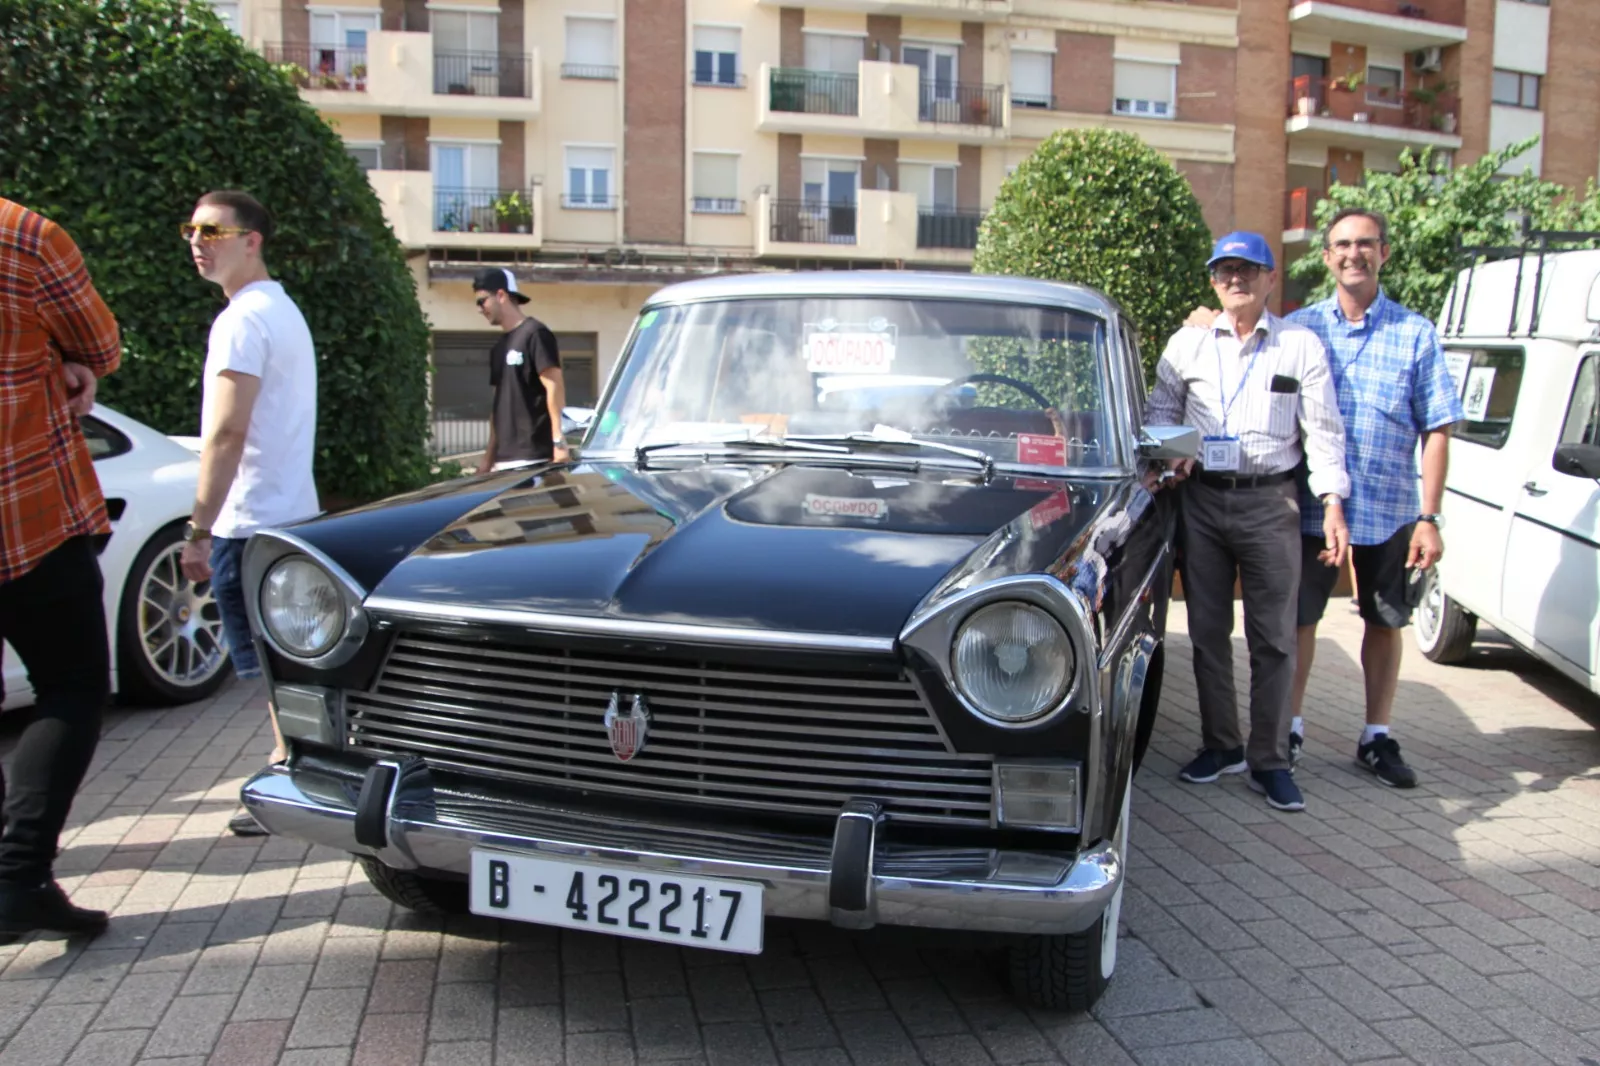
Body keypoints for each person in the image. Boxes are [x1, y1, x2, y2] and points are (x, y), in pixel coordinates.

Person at [1185, 209, 1464, 788]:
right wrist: (1210, 315)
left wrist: (1429, 517)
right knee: (1296, 624)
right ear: (1326, 257)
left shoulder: (1414, 332)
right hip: (1311, 508)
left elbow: (1438, 427)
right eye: (1341, 245)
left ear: (1383, 252)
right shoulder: (1302, 327)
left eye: (1364, 244)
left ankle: (1376, 735)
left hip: (1386, 504)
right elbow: (1239, 330)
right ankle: (1287, 731)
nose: (1352, 254)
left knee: (1384, 620)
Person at [1147, 231, 1351, 813]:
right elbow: (1159, 415)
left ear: (1270, 278)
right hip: (1202, 501)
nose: (1235, 279)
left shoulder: (1300, 346)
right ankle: (1221, 745)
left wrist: (1333, 501)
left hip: (1270, 503)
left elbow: (1324, 431)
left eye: (1248, 269)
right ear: (1213, 279)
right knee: (1208, 631)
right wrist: (1174, 451)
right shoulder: (1186, 343)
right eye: (1225, 270)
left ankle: (1269, 761)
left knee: (1274, 639)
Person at [176, 190, 319, 836]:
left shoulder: (241, 321)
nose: (198, 241)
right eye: (191, 230)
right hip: (288, 514)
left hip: (250, 519)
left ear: (252, 239)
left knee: (271, 670)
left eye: (212, 230)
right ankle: (290, 771)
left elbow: (226, 434)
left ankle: (294, 781)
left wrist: (198, 530)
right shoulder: (282, 311)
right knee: (283, 668)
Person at [0, 197, 122, 937]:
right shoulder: (23, 236)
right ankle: (18, 877)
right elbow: (100, 345)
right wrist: (74, 363)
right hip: (25, 512)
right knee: (72, 685)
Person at [471, 268, 569, 473]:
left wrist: (558, 441)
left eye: (482, 301)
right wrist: (488, 459)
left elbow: (554, 386)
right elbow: (497, 406)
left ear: (501, 295)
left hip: (536, 457)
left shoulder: (535, 334)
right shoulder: (499, 347)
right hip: (504, 460)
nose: (480, 309)